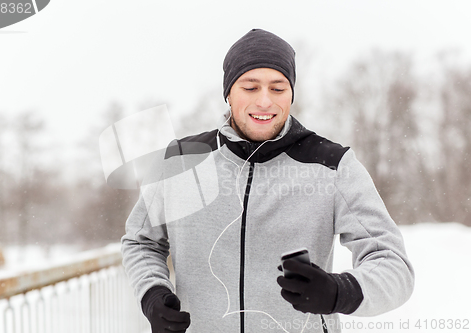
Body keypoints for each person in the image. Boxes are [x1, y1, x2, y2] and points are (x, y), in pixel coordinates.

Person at [121, 29, 414, 333]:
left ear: (291, 94)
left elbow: (393, 264)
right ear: (228, 93)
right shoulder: (180, 161)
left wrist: (341, 291)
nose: (265, 102)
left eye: (278, 88)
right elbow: (140, 241)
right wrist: (152, 295)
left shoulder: (333, 166)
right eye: (250, 87)